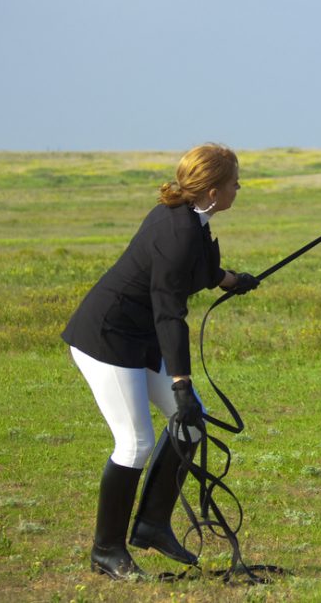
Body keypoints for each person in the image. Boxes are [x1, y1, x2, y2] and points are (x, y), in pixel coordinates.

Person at [62, 143, 259, 579]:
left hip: (139, 339)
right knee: (136, 444)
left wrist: (233, 281)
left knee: (190, 423)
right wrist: (181, 384)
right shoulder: (177, 232)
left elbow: (200, 271)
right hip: (107, 339)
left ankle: (151, 524)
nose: (238, 187)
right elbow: (169, 312)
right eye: (233, 182)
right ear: (211, 190)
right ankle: (106, 550)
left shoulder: (191, 218)